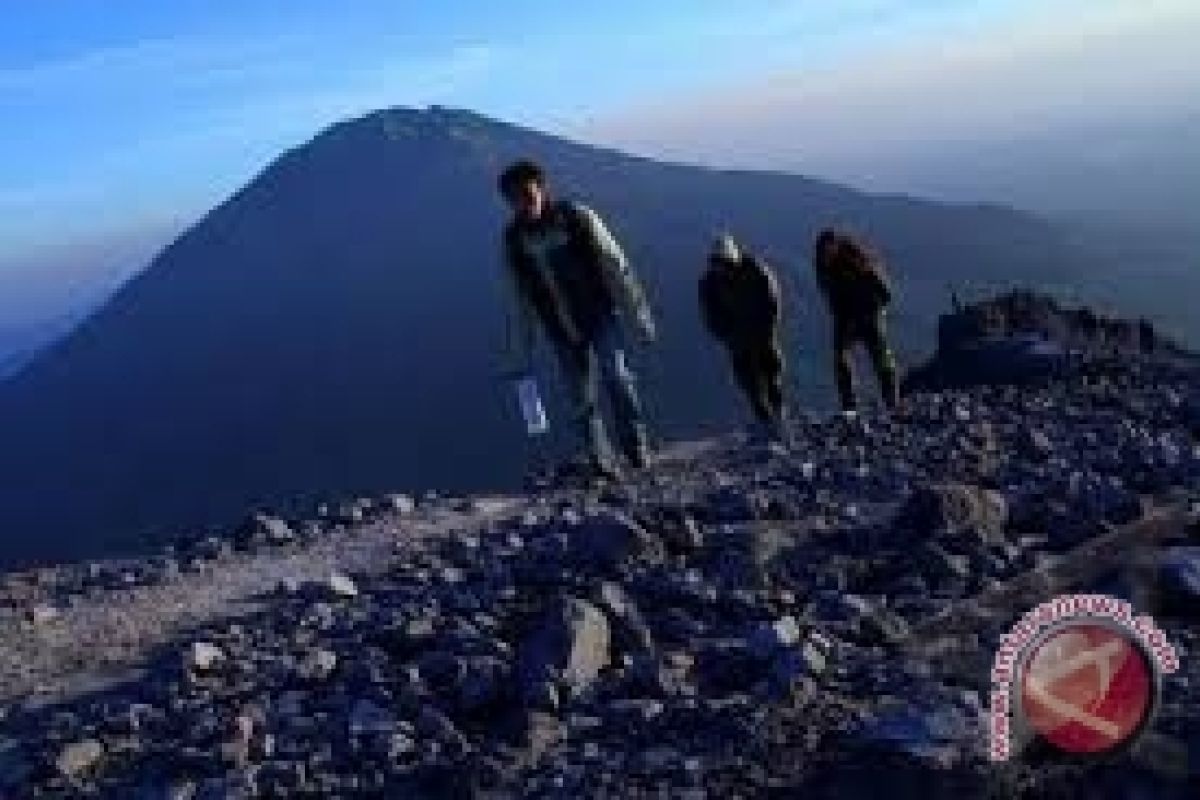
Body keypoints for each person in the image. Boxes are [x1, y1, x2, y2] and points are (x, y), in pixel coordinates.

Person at [497, 159, 657, 480]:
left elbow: (615, 263)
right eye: (515, 199)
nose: (524, 205)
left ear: (542, 190)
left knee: (619, 379)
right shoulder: (514, 242)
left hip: (599, 315)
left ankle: (635, 447)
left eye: (528, 195)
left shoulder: (576, 218)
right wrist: (522, 350)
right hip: (561, 328)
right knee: (582, 399)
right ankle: (602, 462)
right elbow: (520, 299)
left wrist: (639, 312)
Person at [699, 234, 785, 438]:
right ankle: (765, 421)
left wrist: (767, 329)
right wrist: (726, 335)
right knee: (750, 385)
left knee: (772, 376)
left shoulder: (756, 271)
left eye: (725, 262)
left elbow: (772, 302)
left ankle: (780, 416)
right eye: (718, 263)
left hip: (762, 335)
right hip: (737, 340)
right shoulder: (709, 283)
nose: (722, 267)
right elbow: (710, 315)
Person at [813, 228, 900, 412]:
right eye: (823, 252)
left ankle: (892, 401)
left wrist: (876, 309)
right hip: (845, 317)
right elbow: (829, 294)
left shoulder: (856, 259)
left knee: (881, 358)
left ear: (836, 246)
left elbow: (884, 290)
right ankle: (849, 406)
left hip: (868, 314)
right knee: (841, 360)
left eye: (828, 250)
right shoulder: (822, 267)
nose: (826, 255)